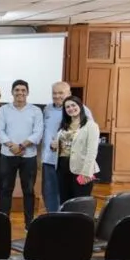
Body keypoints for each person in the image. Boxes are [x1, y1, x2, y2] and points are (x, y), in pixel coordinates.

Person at [0, 79, 44, 227]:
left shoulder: (36, 111)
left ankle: (29, 223)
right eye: (17, 90)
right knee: (5, 189)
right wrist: (12, 146)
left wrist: (22, 146)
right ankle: (4, 221)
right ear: (12, 92)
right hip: (7, 154)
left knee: (28, 190)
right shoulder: (3, 110)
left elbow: (38, 132)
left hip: (28, 156)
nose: (20, 93)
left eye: (23, 90)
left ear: (27, 92)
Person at [41, 81, 94, 213]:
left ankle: (70, 218)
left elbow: (90, 139)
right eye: (54, 93)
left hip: (71, 162)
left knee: (72, 195)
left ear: (69, 94)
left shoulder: (82, 110)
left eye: (61, 93)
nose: (57, 96)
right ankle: (53, 218)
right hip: (49, 160)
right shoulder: (47, 109)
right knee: (50, 192)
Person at [54, 96, 100, 201]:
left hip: (81, 169)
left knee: (80, 202)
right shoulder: (64, 125)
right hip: (62, 167)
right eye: (67, 107)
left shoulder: (91, 125)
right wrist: (55, 146)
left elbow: (92, 151)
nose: (71, 108)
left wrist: (86, 172)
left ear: (80, 106)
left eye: (73, 105)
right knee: (64, 201)